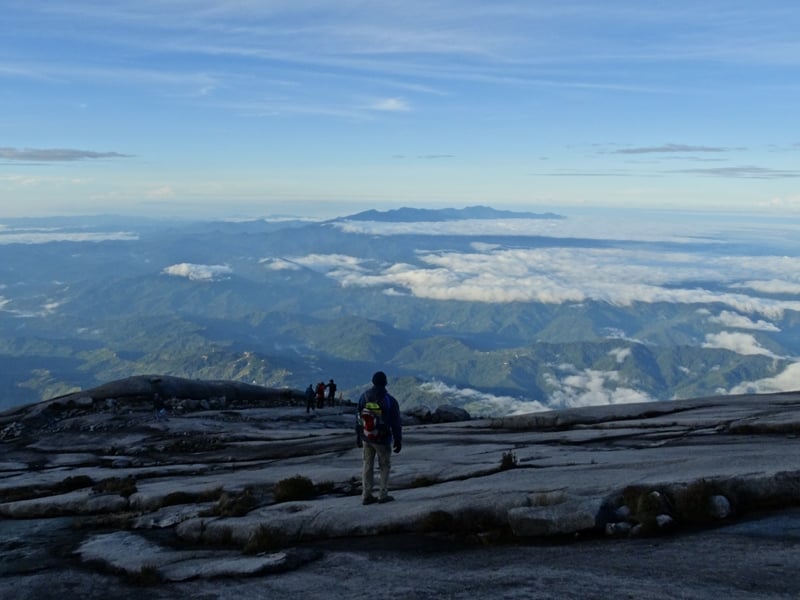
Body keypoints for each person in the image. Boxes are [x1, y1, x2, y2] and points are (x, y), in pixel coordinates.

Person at [355, 371, 402, 504]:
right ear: (385, 382)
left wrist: (359, 435)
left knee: (367, 465)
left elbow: (358, 418)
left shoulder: (363, 397)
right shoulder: (390, 400)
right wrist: (398, 440)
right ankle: (383, 494)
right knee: (385, 466)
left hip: (367, 437)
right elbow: (396, 423)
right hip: (383, 438)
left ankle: (366, 495)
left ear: (373, 382)